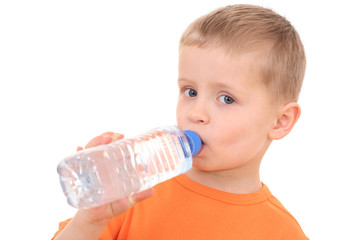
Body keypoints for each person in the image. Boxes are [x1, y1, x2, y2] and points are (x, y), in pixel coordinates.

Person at [53, 4, 308, 239]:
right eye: (190, 92)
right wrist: (89, 221)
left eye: (227, 99)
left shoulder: (281, 232)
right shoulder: (134, 192)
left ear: (280, 122)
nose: (196, 112)